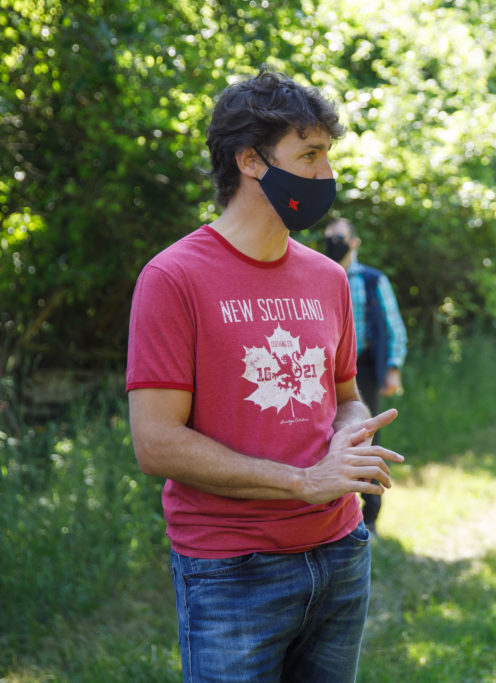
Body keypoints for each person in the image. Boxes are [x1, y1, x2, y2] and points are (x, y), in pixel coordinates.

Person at [126, 70, 405, 682]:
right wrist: (303, 480)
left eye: (328, 154)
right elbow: (156, 442)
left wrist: (345, 440)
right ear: (250, 160)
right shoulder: (173, 278)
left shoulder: (328, 278)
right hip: (232, 570)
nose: (326, 173)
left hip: (340, 552)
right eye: (309, 155)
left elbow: (347, 398)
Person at [324, 217, 408, 534]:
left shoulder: (371, 280)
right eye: (329, 238)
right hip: (326, 370)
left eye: (341, 237)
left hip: (364, 367)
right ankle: (333, 507)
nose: (335, 243)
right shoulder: (317, 275)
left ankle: (369, 513)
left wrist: (393, 368)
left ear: (355, 242)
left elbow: (393, 327)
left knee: (366, 433)